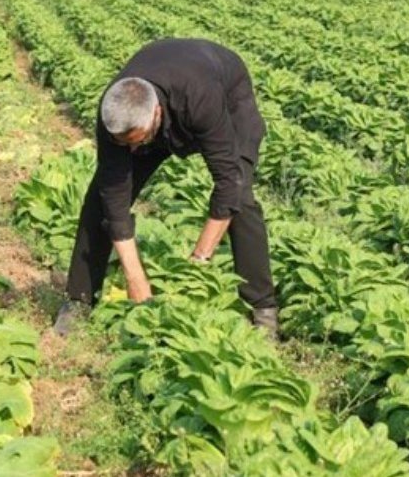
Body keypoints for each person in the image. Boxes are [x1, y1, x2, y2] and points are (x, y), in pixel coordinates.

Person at [53, 38, 278, 337]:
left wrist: (199, 260)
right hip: (163, 99)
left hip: (226, 94)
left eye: (139, 140)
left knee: (241, 195)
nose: (132, 150)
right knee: (101, 197)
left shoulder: (200, 98)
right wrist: (135, 277)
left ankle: (263, 311)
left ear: (156, 115)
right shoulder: (114, 113)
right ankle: (79, 301)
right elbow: (115, 199)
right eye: (125, 144)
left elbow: (228, 181)